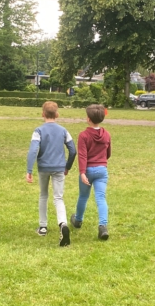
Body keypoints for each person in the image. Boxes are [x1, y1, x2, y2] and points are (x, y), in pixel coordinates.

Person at [26, 101, 77, 246]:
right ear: (57, 114)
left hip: (43, 168)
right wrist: (67, 166)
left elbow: (33, 151)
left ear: (43, 114)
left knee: (43, 195)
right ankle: (63, 224)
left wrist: (29, 170)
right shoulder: (63, 130)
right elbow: (73, 150)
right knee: (58, 198)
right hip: (59, 168)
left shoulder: (38, 131)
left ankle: (43, 227)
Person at [70, 104, 112, 241]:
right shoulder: (106, 134)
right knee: (101, 198)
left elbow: (82, 155)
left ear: (88, 119)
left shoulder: (84, 135)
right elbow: (108, 153)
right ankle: (103, 226)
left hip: (87, 170)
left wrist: (82, 172)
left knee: (83, 196)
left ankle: (78, 220)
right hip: (102, 170)